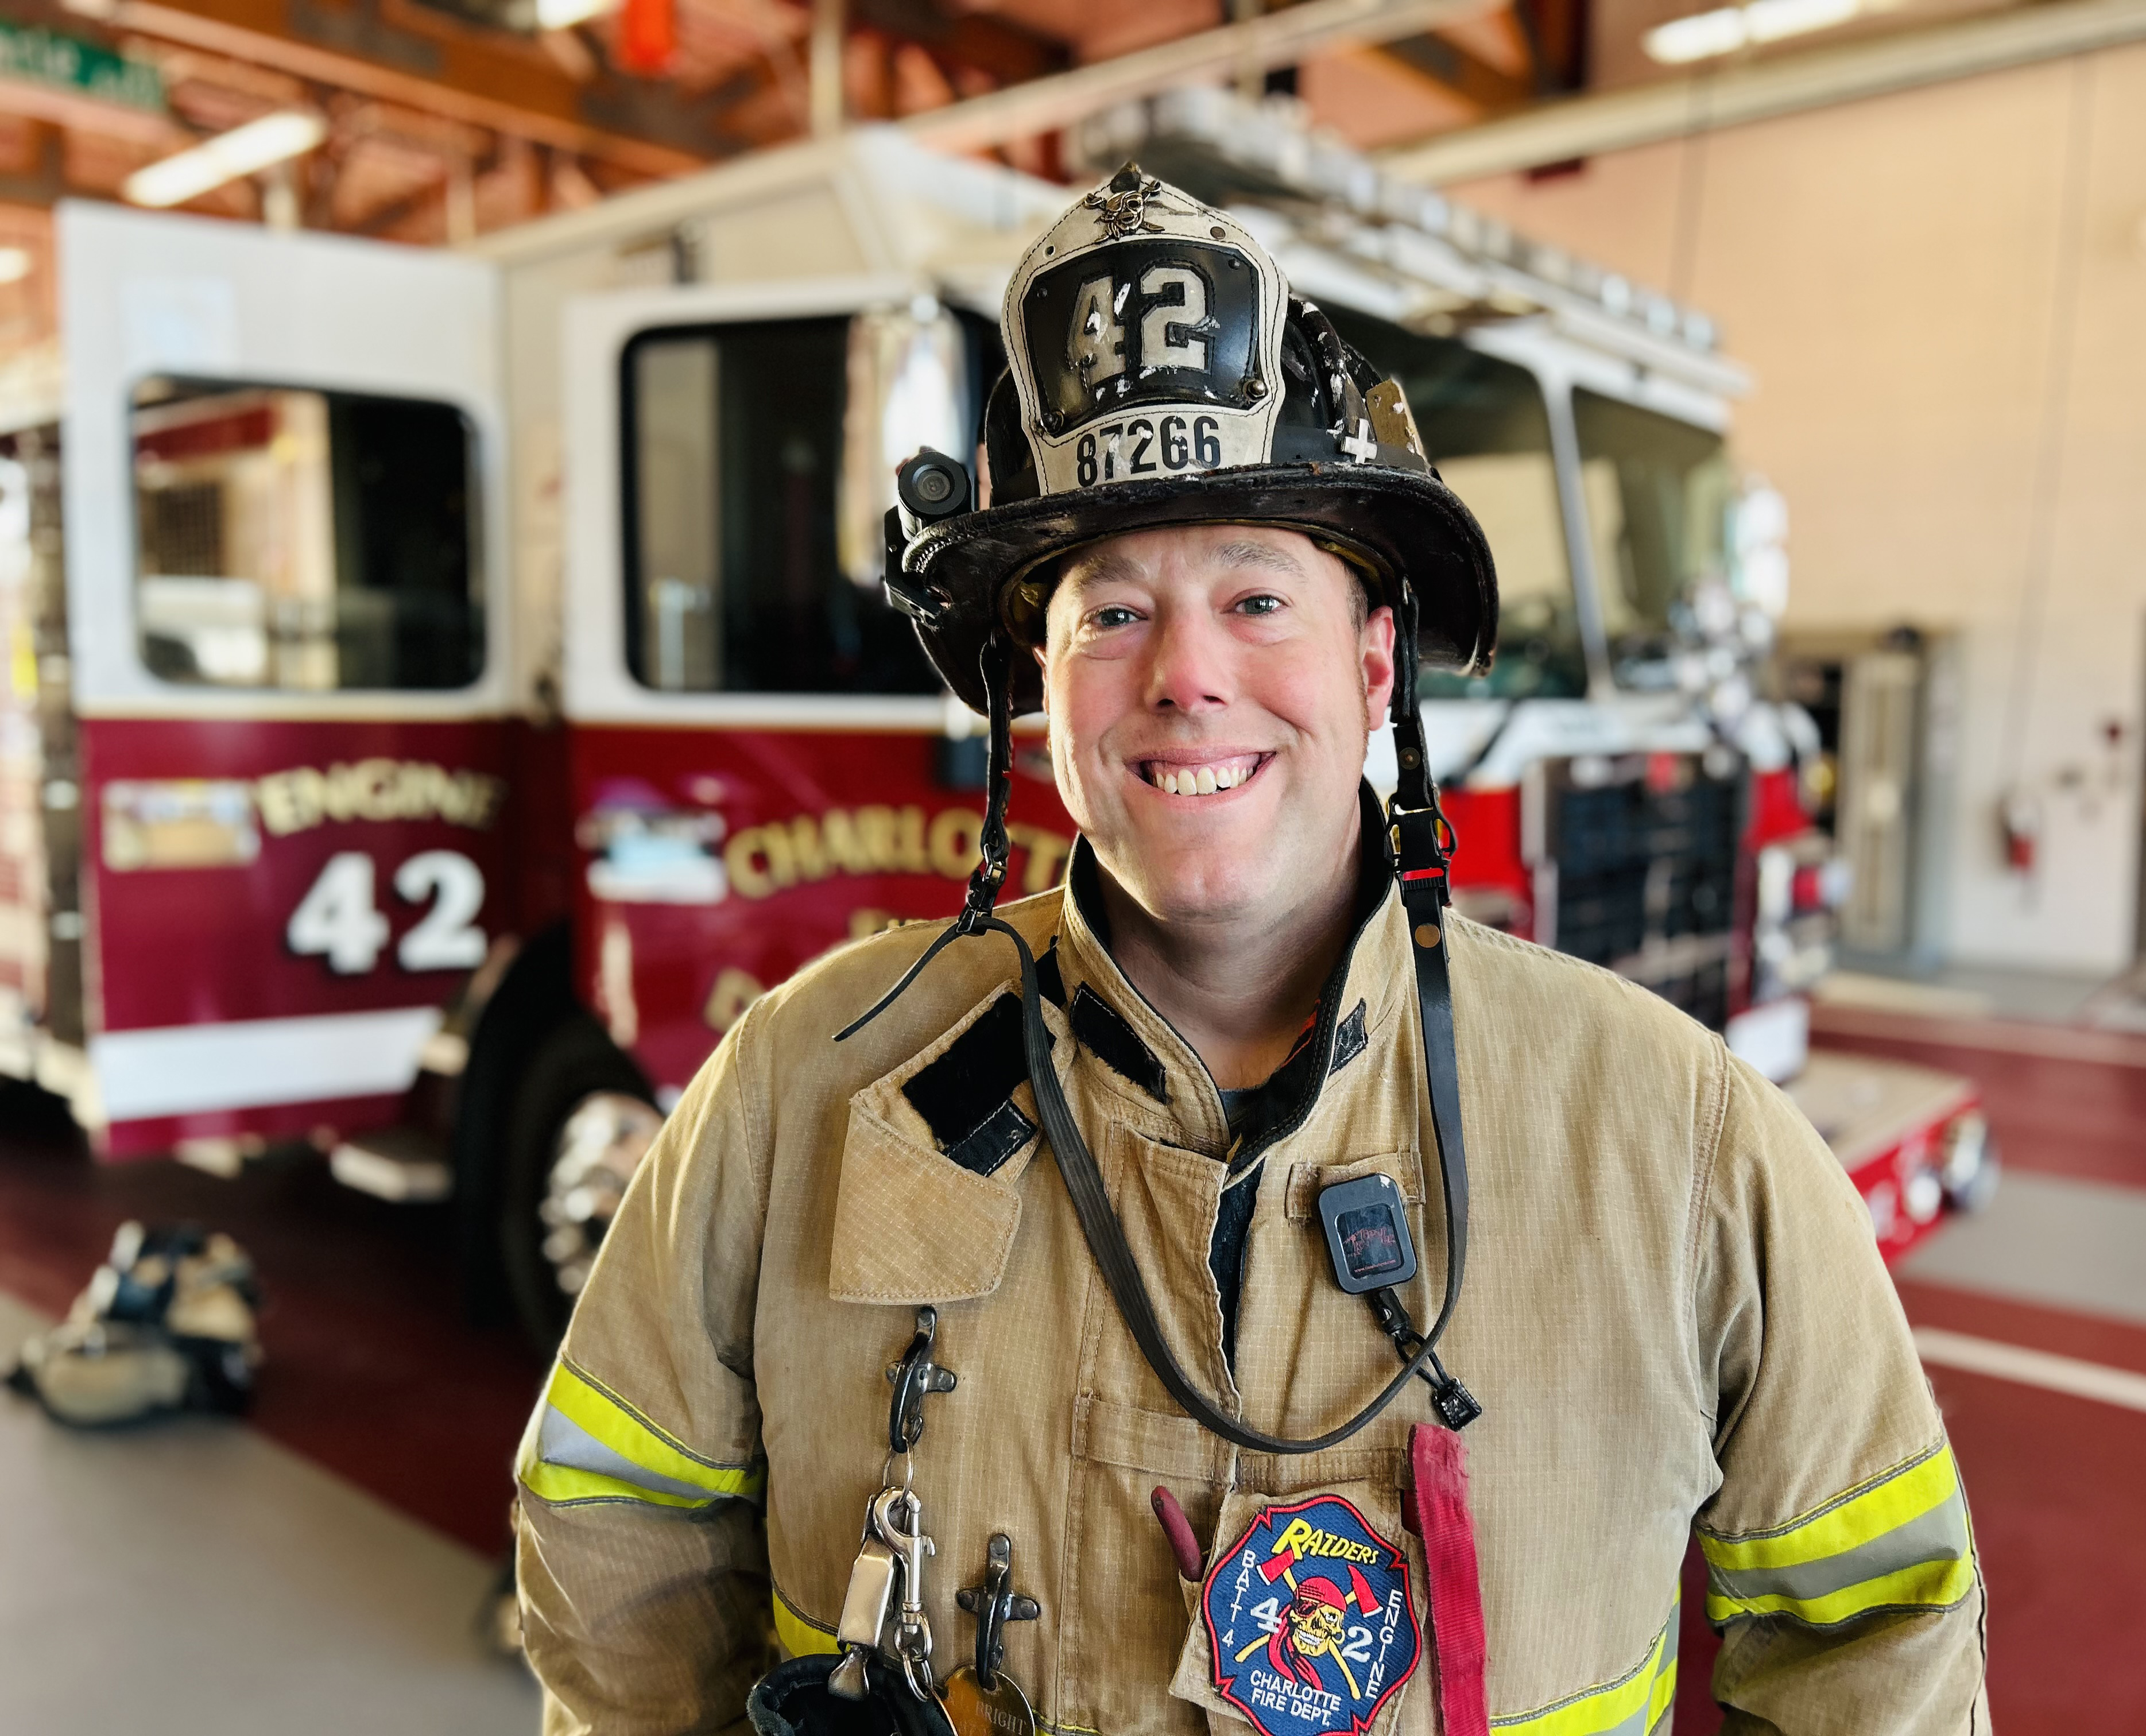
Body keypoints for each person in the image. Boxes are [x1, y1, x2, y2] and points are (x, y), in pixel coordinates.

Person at [514, 166, 1988, 1736]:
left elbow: (1880, 1637)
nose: (1188, 676)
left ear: (1373, 668)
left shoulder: (1683, 1140)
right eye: (1112, 614)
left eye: (1257, 595)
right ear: (1041, 697)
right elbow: (615, 1521)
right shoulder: (800, 1087)